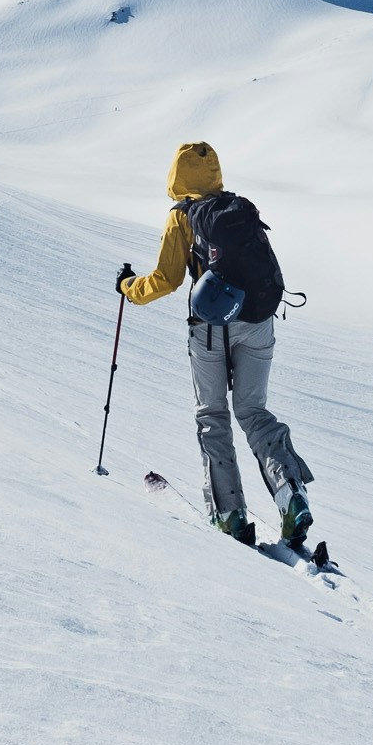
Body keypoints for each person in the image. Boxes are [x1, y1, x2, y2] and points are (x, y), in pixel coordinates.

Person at [116, 141, 314, 549]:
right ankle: (291, 494)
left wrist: (128, 288)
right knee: (254, 412)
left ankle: (230, 515)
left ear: (176, 176)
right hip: (258, 323)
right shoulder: (238, 208)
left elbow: (166, 280)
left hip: (209, 329)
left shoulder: (182, 217)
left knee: (213, 417)